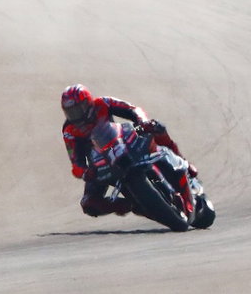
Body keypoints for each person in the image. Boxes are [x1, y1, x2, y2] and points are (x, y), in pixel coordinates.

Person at [59, 84, 183, 218]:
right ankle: (129, 204)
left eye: (78, 110)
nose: (76, 116)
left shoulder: (103, 103)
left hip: (122, 144)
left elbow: (132, 109)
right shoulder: (69, 130)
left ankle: (180, 159)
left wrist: (143, 121)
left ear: (88, 103)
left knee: (156, 128)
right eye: (71, 112)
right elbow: (75, 161)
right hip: (100, 165)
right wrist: (85, 172)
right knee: (89, 204)